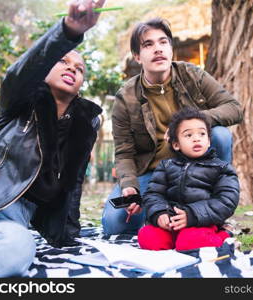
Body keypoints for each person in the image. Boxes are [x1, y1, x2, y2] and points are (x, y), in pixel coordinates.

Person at [0, 0, 105, 277]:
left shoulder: (81, 128)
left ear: (81, 83)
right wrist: (68, 32)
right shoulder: (18, 102)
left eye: (79, 68)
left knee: (15, 252)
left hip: (11, 221)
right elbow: (17, 74)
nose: (72, 68)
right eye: (62, 60)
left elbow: (73, 183)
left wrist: (66, 233)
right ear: (45, 69)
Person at [102, 17, 243, 235]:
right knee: (114, 223)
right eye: (148, 44)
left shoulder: (192, 75)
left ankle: (215, 215)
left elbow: (234, 108)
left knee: (220, 135)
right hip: (151, 174)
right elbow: (124, 153)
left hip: (197, 169)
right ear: (137, 56)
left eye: (163, 42)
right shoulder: (125, 97)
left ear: (171, 49)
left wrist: (196, 120)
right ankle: (158, 213)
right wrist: (130, 186)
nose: (157, 49)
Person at [137, 108, 239, 250]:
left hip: (202, 221)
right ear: (176, 144)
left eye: (202, 134)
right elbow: (153, 194)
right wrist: (160, 213)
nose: (196, 138)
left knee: (190, 242)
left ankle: (223, 235)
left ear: (209, 141)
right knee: (147, 237)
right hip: (172, 222)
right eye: (188, 135)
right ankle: (176, 240)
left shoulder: (221, 168)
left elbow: (227, 201)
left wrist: (192, 215)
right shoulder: (166, 166)